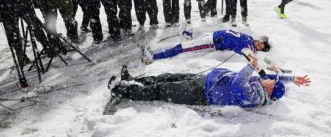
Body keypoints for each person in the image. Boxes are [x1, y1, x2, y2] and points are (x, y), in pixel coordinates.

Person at [108, 63, 310, 107]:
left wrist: (252, 66)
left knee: (161, 90)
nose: (270, 77)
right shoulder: (263, 84)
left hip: (203, 93)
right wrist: (292, 78)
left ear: (270, 89)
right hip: (206, 80)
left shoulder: (256, 97)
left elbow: (240, 83)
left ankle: (121, 89)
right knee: (167, 76)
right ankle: (132, 79)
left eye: (272, 81)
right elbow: (274, 78)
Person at [142, 30, 270, 65]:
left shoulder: (248, 47)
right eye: (260, 43)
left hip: (210, 42)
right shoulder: (250, 38)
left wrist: (268, 64)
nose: (258, 44)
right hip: (212, 35)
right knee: (187, 40)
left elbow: (251, 56)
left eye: (260, 47)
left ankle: (152, 57)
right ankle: (187, 34)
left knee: (181, 48)